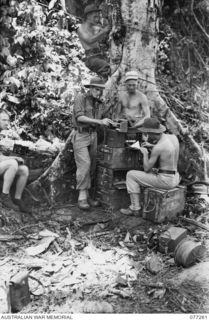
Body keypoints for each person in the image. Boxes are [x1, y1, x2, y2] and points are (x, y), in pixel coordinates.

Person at [120, 117, 180, 215]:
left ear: (150, 133)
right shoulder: (173, 137)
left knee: (130, 174)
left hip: (166, 181)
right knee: (155, 170)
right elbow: (168, 150)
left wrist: (145, 153)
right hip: (176, 177)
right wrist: (151, 146)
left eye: (146, 133)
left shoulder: (158, 147)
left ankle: (135, 208)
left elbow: (147, 169)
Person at [71, 77, 114, 210]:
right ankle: (81, 198)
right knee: (84, 164)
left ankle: (87, 195)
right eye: (96, 89)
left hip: (93, 135)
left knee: (92, 166)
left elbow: (104, 118)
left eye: (100, 90)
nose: (98, 92)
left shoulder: (99, 103)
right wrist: (100, 122)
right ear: (89, 88)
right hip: (81, 134)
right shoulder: (81, 98)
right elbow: (80, 117)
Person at [0, 109, 30, 212]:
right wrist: (14, 158)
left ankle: (17, 198)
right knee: (12, 163)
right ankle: (4, 196)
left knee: (24, 170)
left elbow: (20, 149)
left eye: (8, 120)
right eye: (4, 120)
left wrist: (20, 142)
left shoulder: (4, 133)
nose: (7, 123)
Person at [78, 4, 111, 78]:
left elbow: (104, 39)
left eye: (98, 17)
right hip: (91, 59)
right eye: (95, 17)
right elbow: (89, 40)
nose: (97, 19)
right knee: (106, 67)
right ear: (88, 16)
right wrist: (103, 31)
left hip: (101, 56)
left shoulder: (96, 28)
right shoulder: (81, 29)